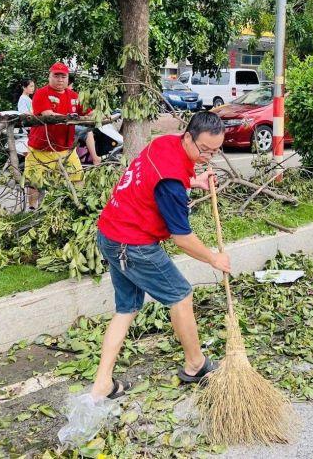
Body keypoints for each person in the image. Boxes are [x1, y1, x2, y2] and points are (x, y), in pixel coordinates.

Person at [91, 111, 230, 399]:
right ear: (188, 136)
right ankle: (195, 364)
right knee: (180, 294)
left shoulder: (165, 143)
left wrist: (196, 181)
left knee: (126, 308)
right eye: (204, 149)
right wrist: (214, 259)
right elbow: (182, 238)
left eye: (216, 151)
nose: (208, 156)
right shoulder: (171, 186)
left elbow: (161, 176)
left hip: (110, 233)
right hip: (132, 244)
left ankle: (102, 383)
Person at [23, 62, 89, 210]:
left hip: (65, 149)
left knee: (78, 178)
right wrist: (71, 117)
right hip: (41, 147)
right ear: (49, 76)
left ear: (67, 79)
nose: (60, 79)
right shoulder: (41, 93)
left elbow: (87, 112)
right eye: (56, 76)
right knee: (34, 182)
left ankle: (77, 207)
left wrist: (103, 115)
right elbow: (48, 115)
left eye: (63, 76)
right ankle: (31, 210)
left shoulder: (74, 96)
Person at [68, 75, 102, 166]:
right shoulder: (70, 96)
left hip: (70, 124)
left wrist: (99, 112)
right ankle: (95, 158)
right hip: (64, 127)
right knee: (88, 132)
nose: (72, 88)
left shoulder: (73, 96)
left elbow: (85, 111)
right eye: (71, 86)